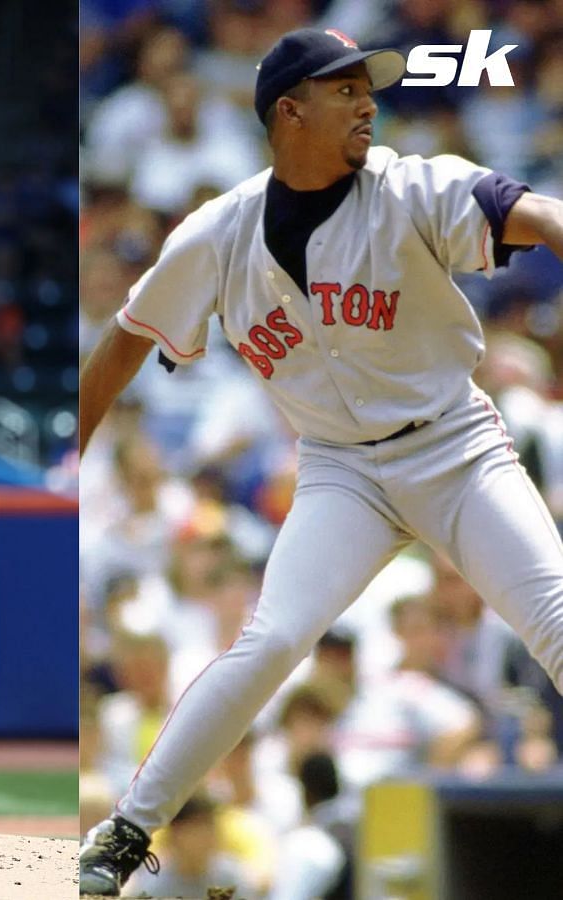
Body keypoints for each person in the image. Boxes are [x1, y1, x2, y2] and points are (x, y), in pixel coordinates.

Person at [77, 28, 563, 894]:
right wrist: (69, 463)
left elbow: (540, 217)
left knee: (557, 622)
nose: (367, 101)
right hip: (341, 469)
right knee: (270, 641)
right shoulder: (216, 234)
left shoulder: (411, 185)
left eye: (367, 87)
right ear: (288, 111)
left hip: (454, 443)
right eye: (344, 89)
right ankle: (128, 828)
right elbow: (120, 347)